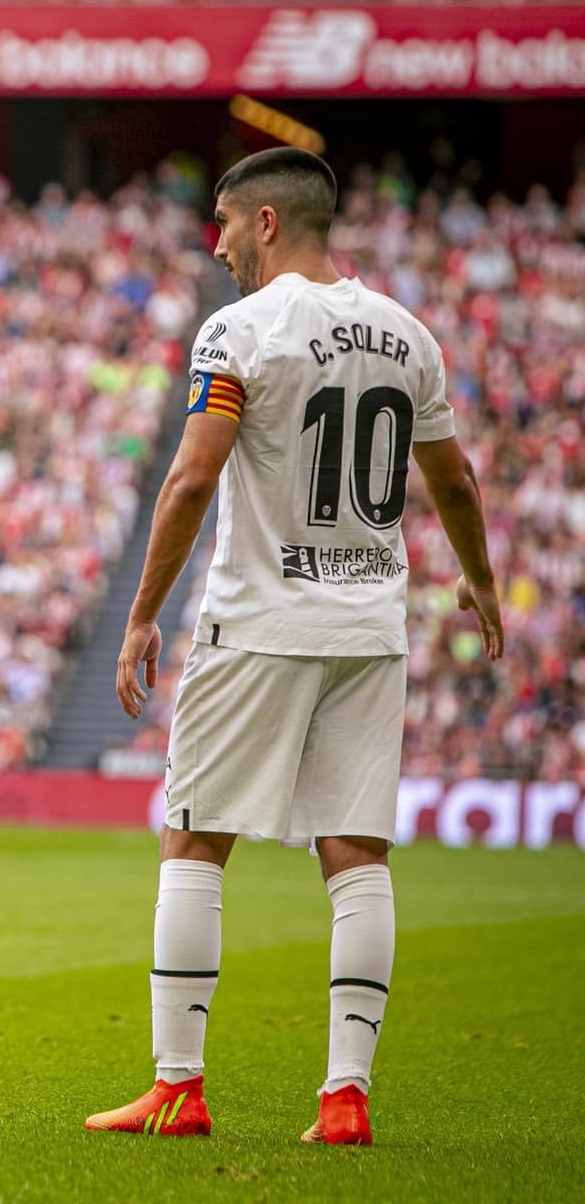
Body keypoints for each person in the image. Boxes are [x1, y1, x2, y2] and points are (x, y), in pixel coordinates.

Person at [83, 148, 505, 1145]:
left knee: (195, 838)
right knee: (356, 855)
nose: (217, 244)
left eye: (226, 222)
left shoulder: (240, 330)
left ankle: (178, 1088)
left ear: (266, 222)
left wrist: (142, 614)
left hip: (261, 622)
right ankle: (346, 1097)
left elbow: (193, 477)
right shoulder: (407, 335)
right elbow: (452, 480)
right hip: (369, 627)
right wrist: (480, 580)